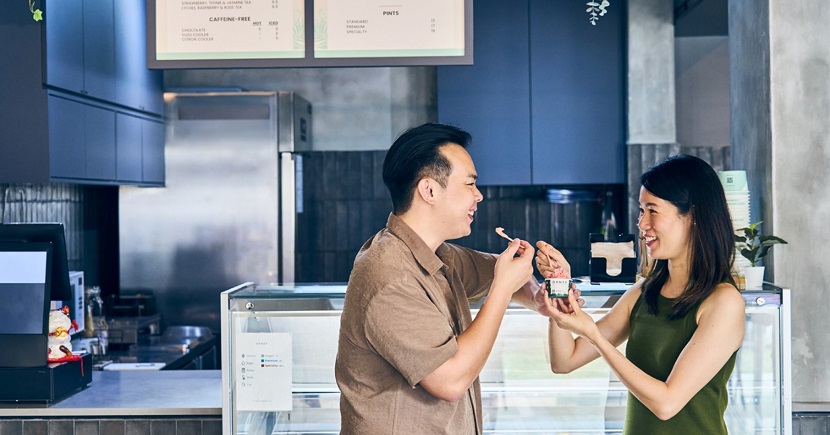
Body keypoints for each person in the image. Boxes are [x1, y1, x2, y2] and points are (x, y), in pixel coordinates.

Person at [335, 122, 546, 434]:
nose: (479, 196)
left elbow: (498, 271)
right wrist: (503, 288)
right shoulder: (389, 276)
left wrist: (538, 295)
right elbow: (450, 380)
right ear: (429, 190)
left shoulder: (437, 254)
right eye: (469, 185)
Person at [535, 154, 745, 434]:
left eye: (652, 210)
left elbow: (667, 403)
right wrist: (557, 287)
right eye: (641, 211)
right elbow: (565, 361)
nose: (641, 223)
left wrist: (594, 335)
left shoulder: (723, 302)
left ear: (692, 216)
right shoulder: (644, 291)